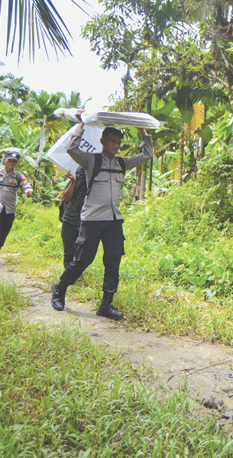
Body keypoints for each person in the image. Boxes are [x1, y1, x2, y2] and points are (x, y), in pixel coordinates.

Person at [50, 111, 153, 320]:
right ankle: (60, 288)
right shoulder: (91, 161)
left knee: (113, 260)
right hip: (92, 220)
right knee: (82, 260)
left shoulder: (122, 163)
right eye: (112, 141)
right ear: (103, 141)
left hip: (114, 221)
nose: (116, 145)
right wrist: (81, 124)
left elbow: (147, 155)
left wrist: (143, 130)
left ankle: (106, 305)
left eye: (119, 142)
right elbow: (71, 148)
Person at [0, 151, 34, 268]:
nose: (11, 163)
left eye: (14, 161)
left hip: (9, 209)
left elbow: (25, 185)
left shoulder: (18, 176)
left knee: (4, 232)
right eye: (9, 160)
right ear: (5, 160)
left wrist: (29, 191)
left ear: (16, 163)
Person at [60, 166, 86, 270]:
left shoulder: (95, 183)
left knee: (82, 252)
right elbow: (66, 197)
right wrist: (73, 182)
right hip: (70, 220)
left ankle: (77, 272)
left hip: (85, 221)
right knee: (68, 252)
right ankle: (68, 274)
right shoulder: (76, 178)